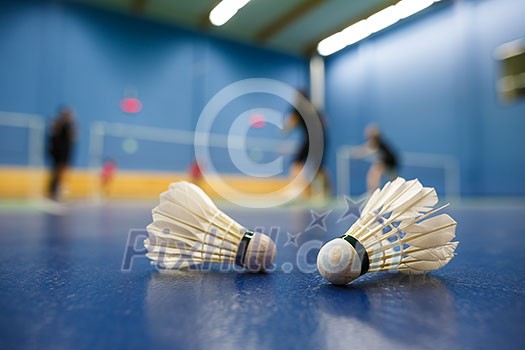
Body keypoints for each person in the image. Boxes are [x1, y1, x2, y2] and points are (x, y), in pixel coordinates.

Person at [284, 90, 330, 200]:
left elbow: (288, 126)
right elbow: (326, 123)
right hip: (321, 138)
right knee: (318, 168)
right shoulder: (313, 107)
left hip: (313, 139)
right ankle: (325, 193)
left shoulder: (298, 108)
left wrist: (284, 129)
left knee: (297, 164)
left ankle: (298, 191)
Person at [352, 124, 398, 192]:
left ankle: (373, 191)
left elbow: (365, 151)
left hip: (390, 162)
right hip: (389, 162)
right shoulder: (377, 142)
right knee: (376, 172)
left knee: (375, 172)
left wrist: (355, 154)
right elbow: (365, 148)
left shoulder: (376, 142)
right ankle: (373, 191)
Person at [47, 107, 76, 200]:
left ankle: (59, 191)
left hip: (65, 154)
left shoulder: (68, 125)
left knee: (62, 173)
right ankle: (54, 192)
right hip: (59, 154)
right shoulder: (60, 125)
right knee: (57, 173)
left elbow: (73, 138)